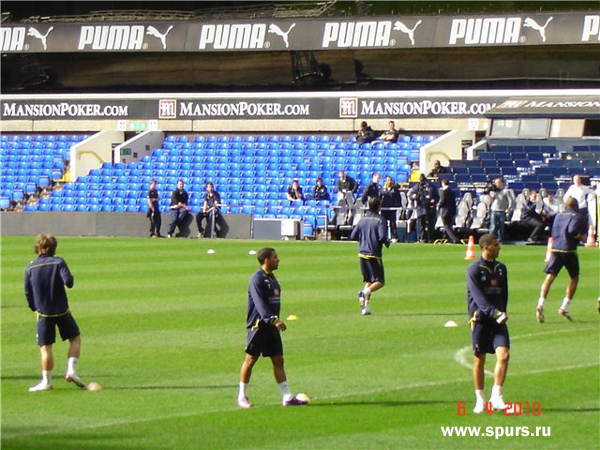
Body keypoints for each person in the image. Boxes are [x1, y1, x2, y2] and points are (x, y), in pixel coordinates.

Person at [237, 248, 308, 408]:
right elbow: (260, 304)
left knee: (278, 360)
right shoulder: (257, 279)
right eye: (275, 257)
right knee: (250, 359)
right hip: (259, 326)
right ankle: (242, 396)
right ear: (267, 260)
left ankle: (287, 396)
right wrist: (274, 320)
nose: (278, 260)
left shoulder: (272, 279)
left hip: (272, 327)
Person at [24, 234, 86, 392]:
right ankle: (71, 371)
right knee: (75, 338)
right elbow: (69, 282)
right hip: (62, 310)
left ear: (38, 247)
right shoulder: (59, 262)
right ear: (54, 248)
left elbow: (28, 294)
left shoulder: (30, 267)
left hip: (43, 313)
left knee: (45, 348)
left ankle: (46, 382)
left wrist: (34, 307)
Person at [466, 234, 510, 414]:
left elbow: (504, 293)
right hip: (481, 320)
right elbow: (479, 298)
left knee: (504, 355)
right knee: (479, 360)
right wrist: (495, 313)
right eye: (496, 245)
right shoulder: (474, 270)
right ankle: (480, 399)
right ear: (486, 247)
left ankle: (496, 396)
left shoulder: (502, 268)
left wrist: (502, 311)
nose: (499, 248)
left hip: (498, 320)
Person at [536, 197, 588, 323]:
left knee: (550, 277)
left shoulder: (559, 215)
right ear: (576, 206)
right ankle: (564, 307)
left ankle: (541, 303)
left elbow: (553, 232)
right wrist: (581, 238)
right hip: (568, 250)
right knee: (574, 278)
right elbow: (572, 231)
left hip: (555, 248)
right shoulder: (578, 216)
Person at [349, 196, 390, 315]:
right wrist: (387, 241)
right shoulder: (380, 220)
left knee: (369, 280)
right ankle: (364, 293)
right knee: (380, 281)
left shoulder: (362, 219)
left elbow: (353, 236)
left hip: (362, 253)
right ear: (378, 206)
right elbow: (382, 236)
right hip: (373, 253)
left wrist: (363, 239)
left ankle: (365, 308)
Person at [409, 174, 438, 243]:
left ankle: (430, 238)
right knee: (421, 225)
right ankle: (421, 238)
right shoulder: (417, 187)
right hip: (420, 208)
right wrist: (413, 196)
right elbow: (410, 195)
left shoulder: (431, 187)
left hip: (430, 208)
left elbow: (437, 196)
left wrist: (434, 200)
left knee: (430, 225)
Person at [488, 177, 514, 243]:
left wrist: (509, 208)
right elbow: (491, 200)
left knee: (501, 226)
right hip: (494, 210)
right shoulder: (494, 191)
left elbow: (510, 200)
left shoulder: (505, 191)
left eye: (497, 183)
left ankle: (500, 239)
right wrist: (491, 194)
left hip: (501, 210)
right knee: (493, 226)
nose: (496, 184)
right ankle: (491, 239)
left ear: (501, 183)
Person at [437, 179, 460, 243]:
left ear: (443, 183)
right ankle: (449, 239)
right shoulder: (452, 191)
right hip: (452, 211)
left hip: (445, 211)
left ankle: (454, 238)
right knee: (450, 225)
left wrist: (438, 206)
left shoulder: (443, 191)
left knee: (446, 225)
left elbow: (442, 201)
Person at [380, 176, 400, 242]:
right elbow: (379, 198)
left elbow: (398, 198)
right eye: (388, 180)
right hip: (384, 209)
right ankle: (384, 236)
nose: (389, 182)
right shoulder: (382, 189)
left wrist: (398, 206)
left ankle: (394, 237)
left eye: (390, 180)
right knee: (384, 223)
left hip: (392, 209)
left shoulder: (395, 189)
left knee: (393, 223)